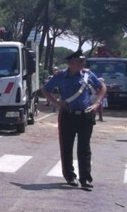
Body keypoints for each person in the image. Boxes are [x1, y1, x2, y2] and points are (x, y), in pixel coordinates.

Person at [41, 51, 106, 190]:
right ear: (71, 63)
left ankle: (85, 179)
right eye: (79, 61)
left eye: (83, 61)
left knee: (84, 148)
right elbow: (45, 89)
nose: (83, 64)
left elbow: (102, 87)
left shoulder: (88, 75)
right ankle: (70, 176)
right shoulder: (60, 76)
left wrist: (97, 103)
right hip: (68, 115)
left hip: (85, 115)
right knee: (66, 147)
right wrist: (56, 103)